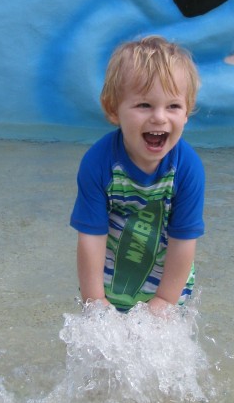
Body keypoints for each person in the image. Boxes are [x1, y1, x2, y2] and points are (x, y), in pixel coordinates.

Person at [70, 35, 205, 314]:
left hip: (169, 283)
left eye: (173, 106)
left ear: (187, 112)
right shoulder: (99, 163)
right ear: (113, 109)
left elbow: (184, 241)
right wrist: (94, 300)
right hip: (109, 283)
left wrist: (165, 301)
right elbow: (91, 237)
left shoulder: (187, 168)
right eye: (144, 105)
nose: (159, 117)